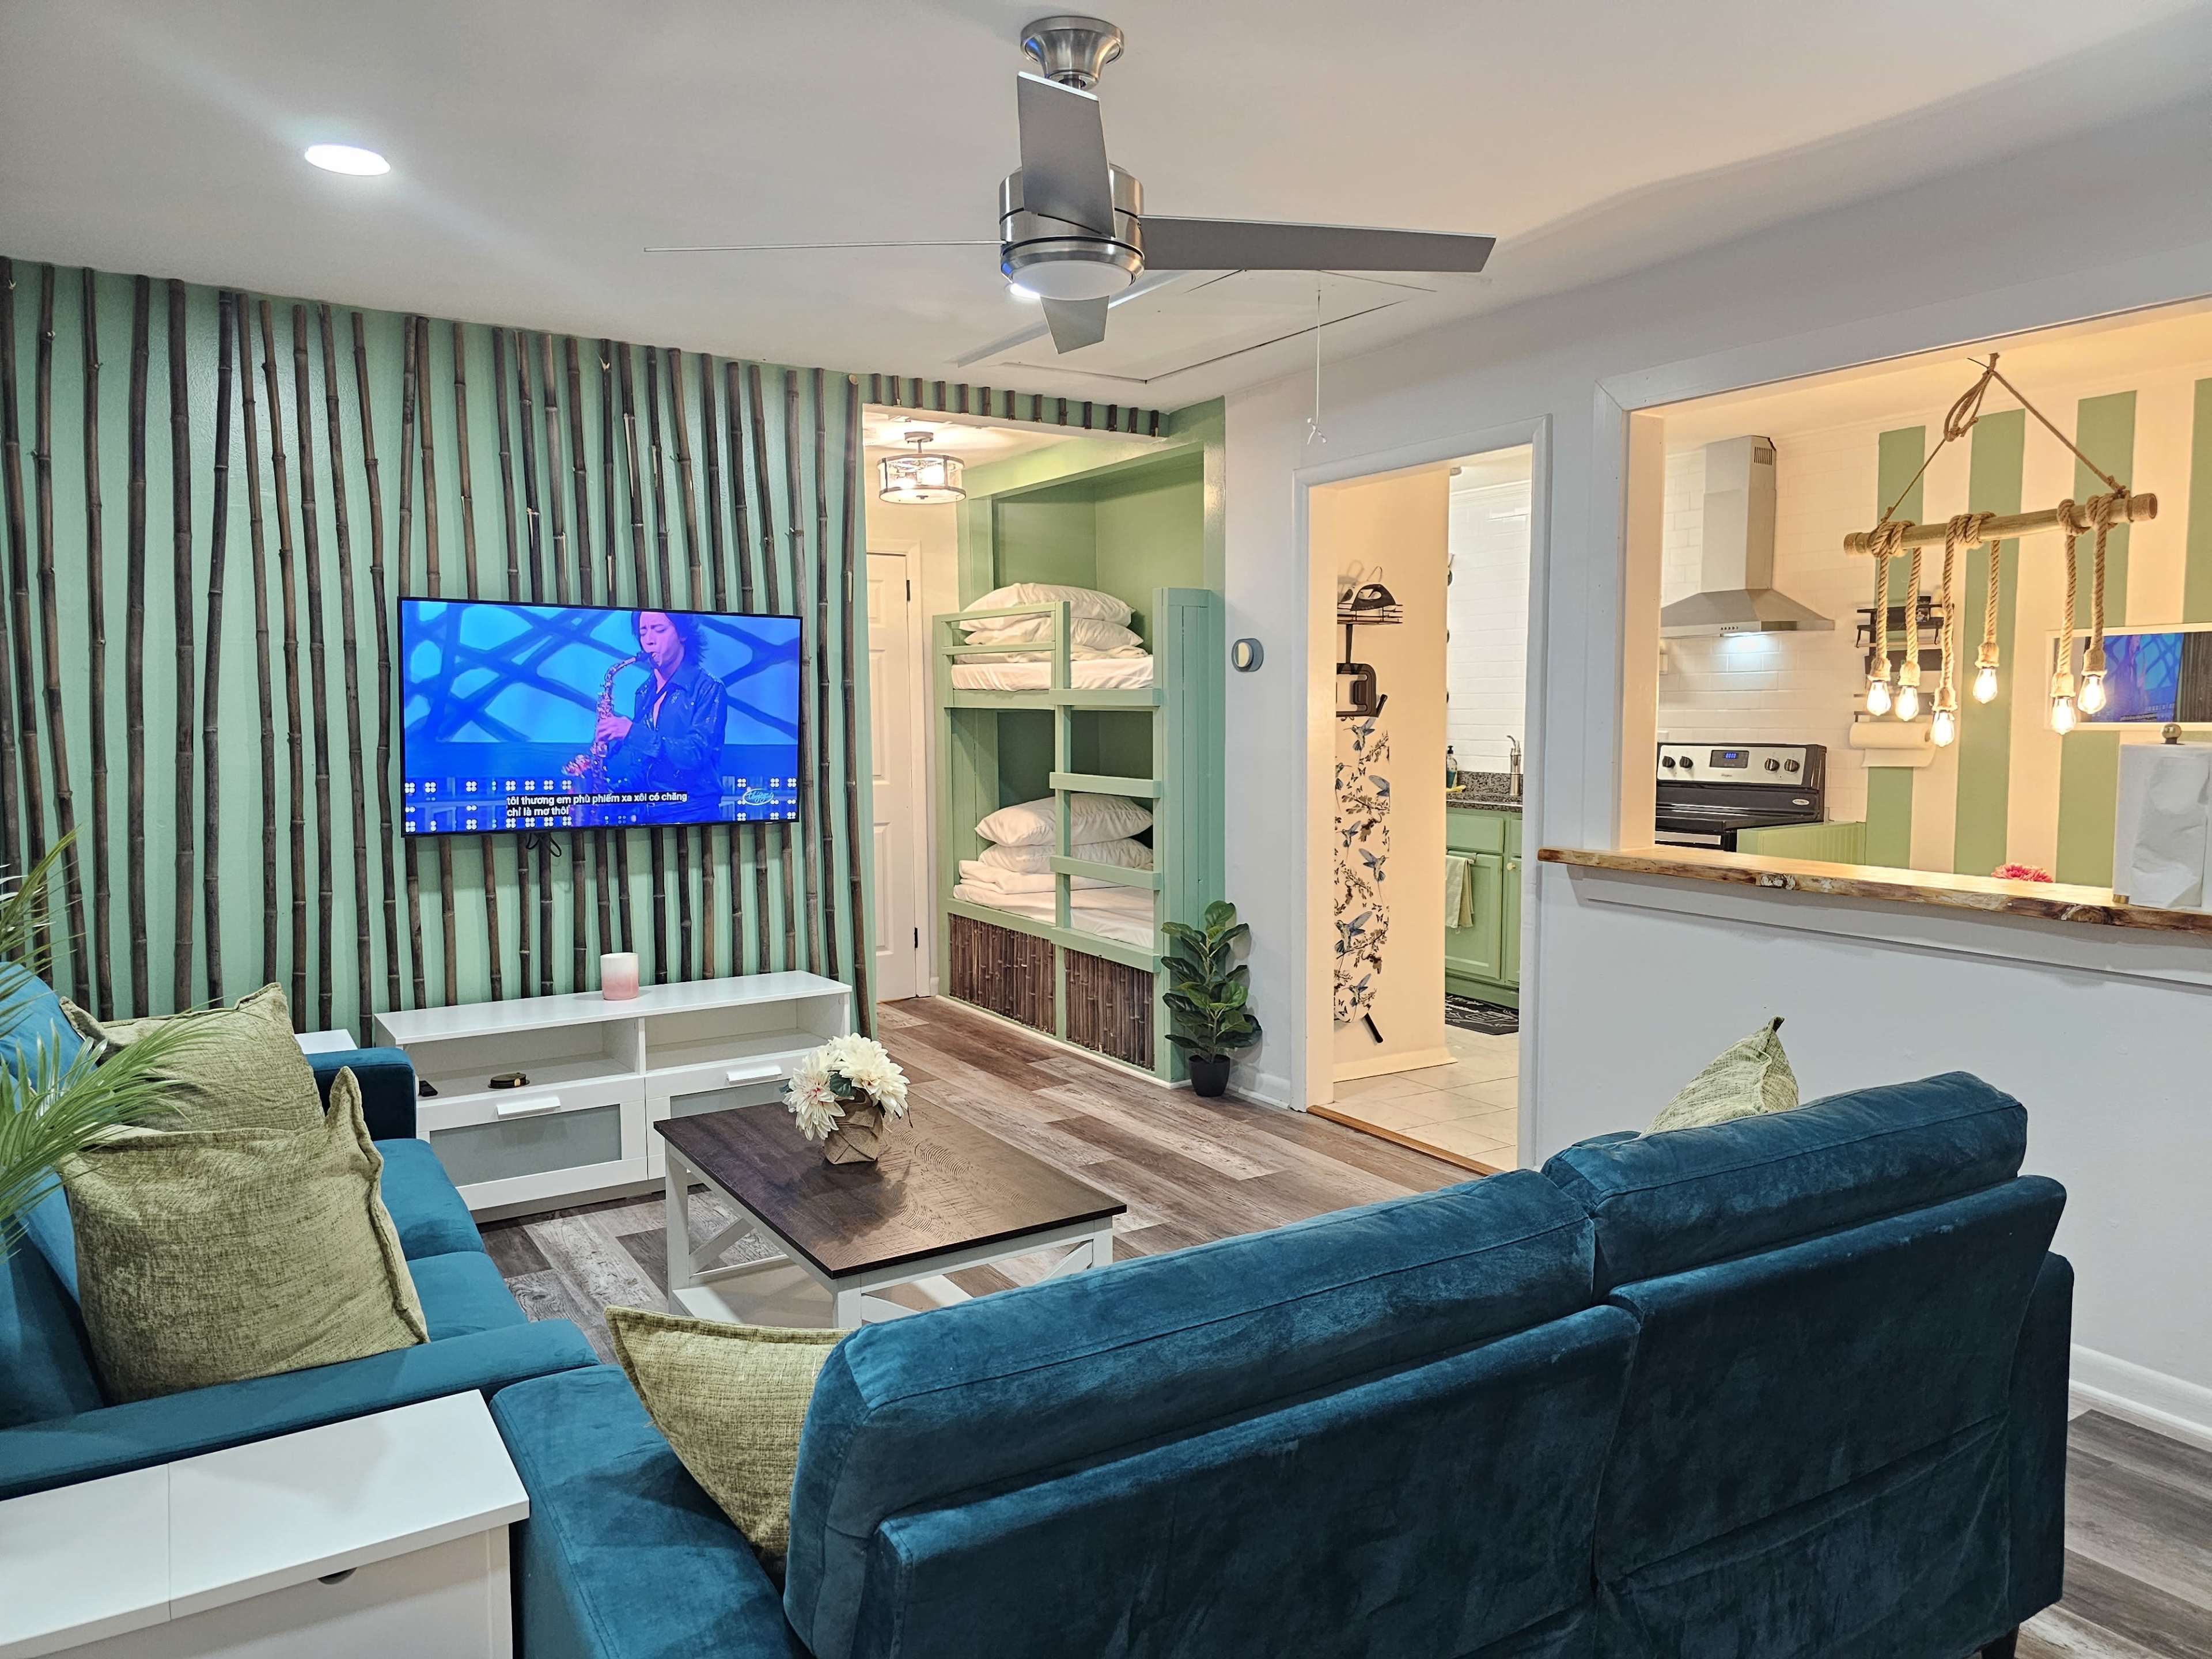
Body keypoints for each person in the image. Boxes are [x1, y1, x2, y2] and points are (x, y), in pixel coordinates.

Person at [595, 611, 728, 819]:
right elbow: (643, 767)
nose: (649, 640)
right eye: (643, 632)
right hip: (649, 815)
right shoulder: (644, 692)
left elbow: (695, 755)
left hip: (694, 815)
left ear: (682, 634)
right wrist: (608, 800)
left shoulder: (708, 688)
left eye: (659, 630)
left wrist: (633, 733)